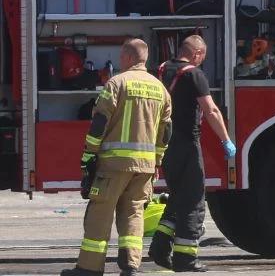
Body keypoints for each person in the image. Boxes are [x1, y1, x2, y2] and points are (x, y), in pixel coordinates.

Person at [63, 39, 172, 276]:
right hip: (144, 166)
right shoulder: (160, 88)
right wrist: (157, 162)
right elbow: (165, 132)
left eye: (122, 56)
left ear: (129, 58)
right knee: (133, 212)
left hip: (114, 164)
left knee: (100, 212)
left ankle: (89, 268)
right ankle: (131, 266)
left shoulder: (117, 83)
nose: (120, 60)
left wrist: (89, 155)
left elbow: (99, 123)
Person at [149, 35, 236, 272]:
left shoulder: (160, 70)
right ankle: (185, 258)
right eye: (202, 58)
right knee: (195, 201)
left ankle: (160, 246)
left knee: (177, 197)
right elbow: (211, 110)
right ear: (197, 53)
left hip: (164, 144)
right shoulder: (194, 74)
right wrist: (226, 140)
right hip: (187, 143)